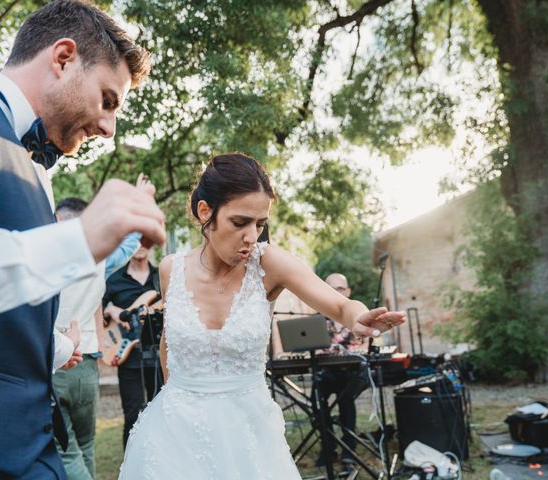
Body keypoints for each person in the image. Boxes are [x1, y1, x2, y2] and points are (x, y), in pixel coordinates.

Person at [0, 1, 165, 477]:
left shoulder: (38, 173)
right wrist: (76, 241)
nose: (108, 126)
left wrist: (53, 346)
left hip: (31, 446)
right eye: (107, 99)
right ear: (62, 58)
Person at [118, 153, 405, 479]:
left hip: (248, 434)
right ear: (205, 212)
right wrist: (177, 409)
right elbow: (170, 341)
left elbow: (339, 305)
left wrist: (359, 316)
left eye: (260, 224)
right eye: (240, 223)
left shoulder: (268, 264)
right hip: (176, 435)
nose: (252, 236)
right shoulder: (171, 268)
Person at [53, 196, 142, 479]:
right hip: (89, 365)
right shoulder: (98, 261)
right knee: (86, 445)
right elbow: (131, 244)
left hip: (60, 363)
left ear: (58, 221)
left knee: (65, 450)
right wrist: (139, 201)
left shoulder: (46, 262)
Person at [103, 244, 163, 448]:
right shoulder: (113, 280)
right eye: (135, 240)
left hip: (157, 357)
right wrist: (111, 310)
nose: (141, 245)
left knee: (161, 411)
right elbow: (99, 312)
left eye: (145, 239)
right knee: (132, 415)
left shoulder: (160, 277)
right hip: (127, 357)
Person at [316, 273, 372, 466]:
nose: (335, 292)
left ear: (347, 291)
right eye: (330, 288)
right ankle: (329, 447)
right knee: (316, 398)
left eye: (340, 288)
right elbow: (313, 348)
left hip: (354, 373)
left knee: (345, 398)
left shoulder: (359, 316)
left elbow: (366, 348)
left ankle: (349, 448)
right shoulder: (318, 320)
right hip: (329, 372)